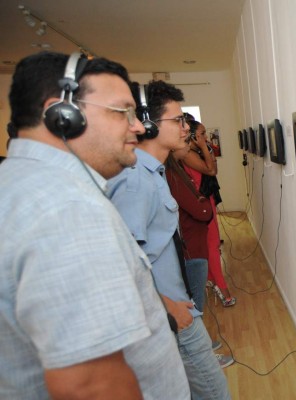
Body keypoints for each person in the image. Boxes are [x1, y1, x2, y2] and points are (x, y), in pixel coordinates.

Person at [0, 51, 190, 399]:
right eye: (123, 112)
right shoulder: (68, 208)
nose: (137, 126)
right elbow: (90, 385)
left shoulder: (18, 184)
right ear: (63, 115)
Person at [107, 80, 231, 399]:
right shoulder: (135, 182)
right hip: (169, 316)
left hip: (178, 309)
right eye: (177, 120)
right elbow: (122, 264)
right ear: (148, 124)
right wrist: (169, 309)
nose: (185, 127)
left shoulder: (155, 174)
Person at [166, 145, 235, 368]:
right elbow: (201, 209)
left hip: (190, 244)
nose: (185, 137)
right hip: (189, 248)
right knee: (194, 305)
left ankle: (202, 346)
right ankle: (203, 357)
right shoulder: (171, 172)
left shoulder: (171, 169)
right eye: (179, 124)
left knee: (195, 303)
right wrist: (204, 206)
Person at [183, 120, 236, 307]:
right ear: (192, 136)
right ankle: (223, 289)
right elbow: (211, 170)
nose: (206, 137)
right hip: (201, 203)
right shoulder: (188, 154)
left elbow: (215, 169)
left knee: (212, 245)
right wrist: (205, 147)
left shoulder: (196, 152)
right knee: (212, 246)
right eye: (202, 134)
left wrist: (206, 149)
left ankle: (214, 282)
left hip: (208, 201)